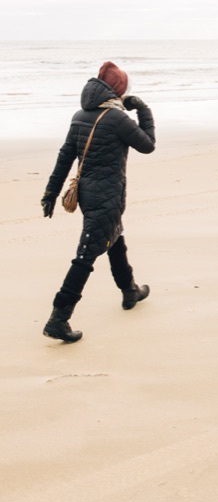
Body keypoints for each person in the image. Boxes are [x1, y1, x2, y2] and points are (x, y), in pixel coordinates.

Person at [41, 61, 156, 343]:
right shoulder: (118, 119)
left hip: (89, 195)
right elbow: (148, 145)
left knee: (115, 237)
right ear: (117, 90)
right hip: (106, 197)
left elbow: (65, 156)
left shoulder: (80, 115)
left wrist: (51, 192)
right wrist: (143, 108)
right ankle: (58, 319)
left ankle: (129, 290)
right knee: (86, 255)